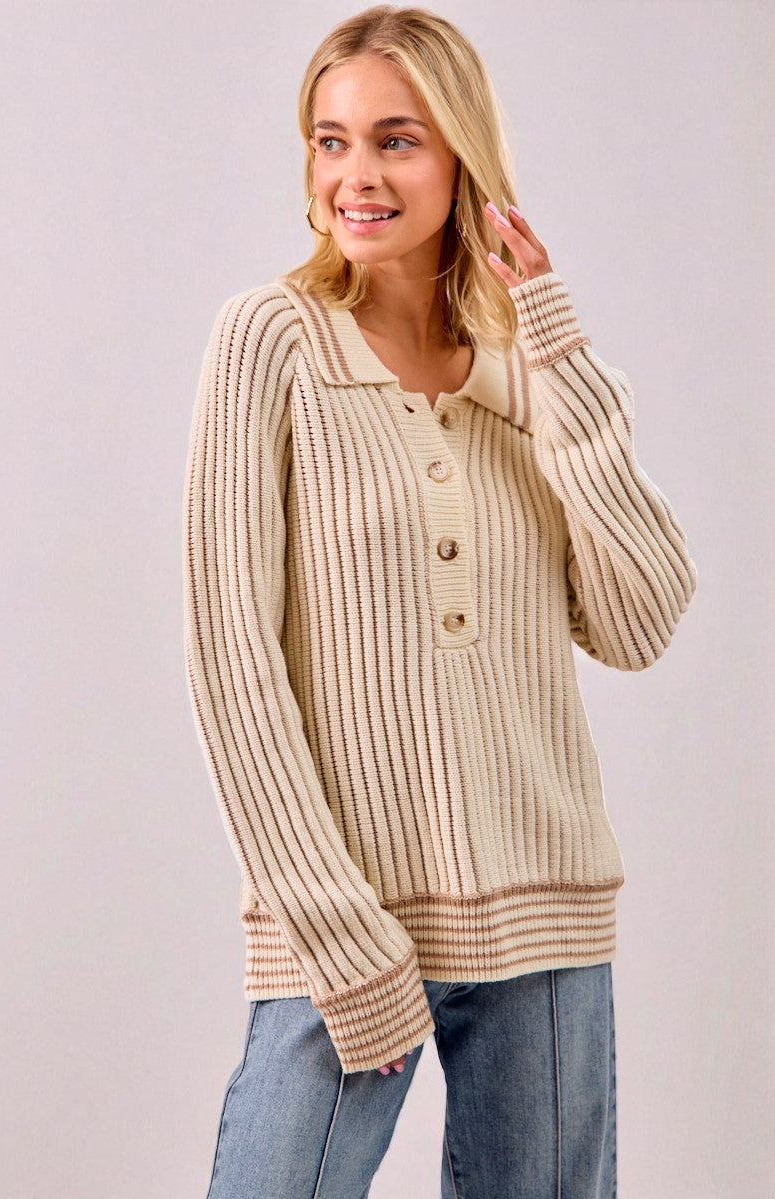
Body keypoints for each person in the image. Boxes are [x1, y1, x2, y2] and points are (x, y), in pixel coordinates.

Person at [182, 5, 698, 1196]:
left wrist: (553, 352)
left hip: (546, 913)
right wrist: (334, 927)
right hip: (345, 916)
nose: (354, 176)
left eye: (396, 140)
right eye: (330, 141)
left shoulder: (532, 373)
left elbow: (637, 621)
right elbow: (232, 661)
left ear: (462, 154)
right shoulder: (271, 342)